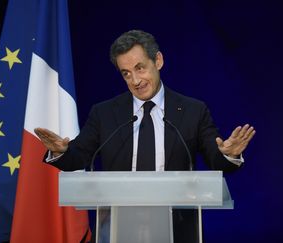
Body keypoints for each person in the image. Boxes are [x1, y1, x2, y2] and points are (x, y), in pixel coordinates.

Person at [34, 29, 255, 243]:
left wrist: (229, 155)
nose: (135, 80)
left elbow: (215, 159)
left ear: (158, 61)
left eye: (140, 68)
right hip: (118, 228)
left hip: (177, 228)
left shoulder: (193, 111)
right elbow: (79, 156)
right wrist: (61, 151)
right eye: (126, 73)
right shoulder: (104, 113)